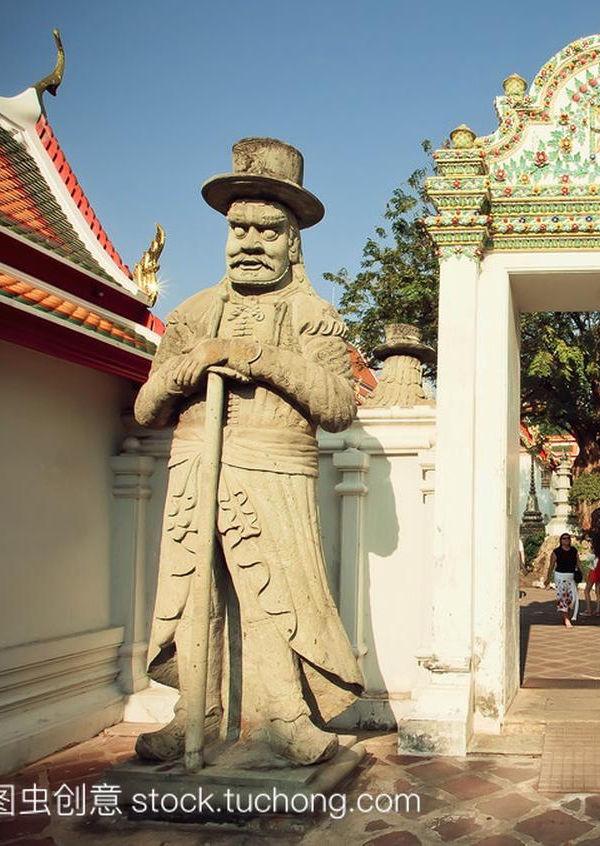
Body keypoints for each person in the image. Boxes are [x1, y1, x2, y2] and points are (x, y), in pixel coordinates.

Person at [132, 138, 364, 766]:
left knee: (273, 595)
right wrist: (187, 368)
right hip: (195, 463)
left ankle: (282, 715)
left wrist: (255, 359)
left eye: (269, 229)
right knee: (193, 593)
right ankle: (195, 716)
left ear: (294, 242)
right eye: (239, 229)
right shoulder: (192, 313)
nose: (251, 242)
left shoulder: (313, 315)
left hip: (274, 466)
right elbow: (144, 407)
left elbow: (339, 405)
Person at [551, 533, 580, 627]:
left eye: (568, 538)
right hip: (560, 576)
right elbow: (551, 565)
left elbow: (578, 563)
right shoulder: (556, 551)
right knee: (563, 598)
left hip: (571, 577)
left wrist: (583, 573)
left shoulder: (573, 550)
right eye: (564, 538)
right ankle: (566, 619)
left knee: (572, 599)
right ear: (561, 540)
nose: (566, 540)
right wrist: (547, 577)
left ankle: (565, 615)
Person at [583, 531, 600, 617]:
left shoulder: (593, 550)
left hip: (594, 572)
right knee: (598, 591)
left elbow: (588, 559)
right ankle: (598, 610)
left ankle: (589, 610)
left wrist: (588, 549)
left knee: (587, 590)